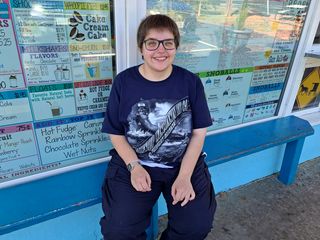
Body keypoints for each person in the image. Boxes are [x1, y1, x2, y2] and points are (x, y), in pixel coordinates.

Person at [100, 14, 216, 240]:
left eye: (168, 43)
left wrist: (184, 177)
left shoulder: (190, 82)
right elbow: (115, 133)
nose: (160, 50)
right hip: (134, 163)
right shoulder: (124, 82)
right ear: (141, 47)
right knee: (118, 230)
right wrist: (134, 166)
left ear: (176, 47)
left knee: (196, 225)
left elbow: (198, 133)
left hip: (182, 164)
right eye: (152, 43)